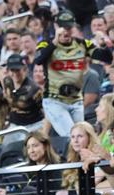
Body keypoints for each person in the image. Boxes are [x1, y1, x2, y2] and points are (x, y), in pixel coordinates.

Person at [35, 10, 94, 138]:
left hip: (76, 99)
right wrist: (56, 41)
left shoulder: (81, 44)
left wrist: (103, 44)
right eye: (63, 26)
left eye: (69, 27)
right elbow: (38, 60)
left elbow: (106, 57)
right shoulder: (46, 43)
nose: (66, 30)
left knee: (82, 135)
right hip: (55, 99)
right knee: (71, 135)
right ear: (56, 26)